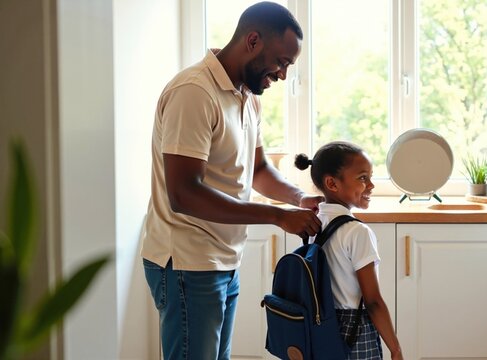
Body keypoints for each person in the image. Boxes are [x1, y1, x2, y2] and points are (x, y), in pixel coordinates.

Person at [140, 2, 324, 359]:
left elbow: (258, 170)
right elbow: (183, 193)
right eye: (282, 62)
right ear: (252, 41)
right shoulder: (194, 93)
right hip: (187, 262)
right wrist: (276, 216)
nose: (283, 75)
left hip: (223, 258)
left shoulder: (247, 97)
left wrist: (298, 198)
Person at [295, 142, 404, 360]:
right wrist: (395, 349)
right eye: (363, 178)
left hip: (320, 329)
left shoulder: (314, 222)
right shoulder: (357, 232)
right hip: (354, 331)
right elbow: (372, 301)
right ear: (332, 183)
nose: (371, 185)